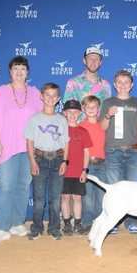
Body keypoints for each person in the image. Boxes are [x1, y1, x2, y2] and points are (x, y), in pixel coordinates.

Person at [0, 55, 43, 243]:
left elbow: (42, 119)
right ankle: (2, 227)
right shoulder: (1, 92)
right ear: (10, 72)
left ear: (28, 72)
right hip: (6, 146)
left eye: (23, 68)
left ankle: (17, 223)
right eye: (16, 68)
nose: (19, 72)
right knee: (7, 187)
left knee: (23, 187)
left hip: (29, 149)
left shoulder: (35, 93)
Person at [99, 70, 137, 234]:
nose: (123, 85)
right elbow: (102, 127)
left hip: (133, 151)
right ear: (114, 84)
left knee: (131, 189)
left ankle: (132, 221)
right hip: (113, 151)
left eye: (126, 82)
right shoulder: (108, 102)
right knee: (114, 189)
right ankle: (113, 221)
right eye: (119, 82)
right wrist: (107, 115)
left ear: (131, 85)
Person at [23, 83, 69, 241]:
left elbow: (66, 143)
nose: (50, 98)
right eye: (47, 95)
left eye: (54, 96)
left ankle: (55, 228)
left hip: (57, 159)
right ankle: (36, 228)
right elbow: (29, 142)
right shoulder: (34, 119)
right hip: (40, 160)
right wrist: (32, 162)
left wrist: (64, 161)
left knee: (56, 198)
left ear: (58, 99)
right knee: (39, 198)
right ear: (41, 96)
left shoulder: (62, 120)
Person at [60, 99, 93, 234]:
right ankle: (67, 223)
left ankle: (78, 224)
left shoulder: (83, 131)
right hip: (64, 171)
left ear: (80, 113)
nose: (72, 115)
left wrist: (84, 170)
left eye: (75, 112)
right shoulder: (60, 130)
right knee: (65, 197)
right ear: (64, 113)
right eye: (69, 112)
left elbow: (87, 152)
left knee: (78, 198)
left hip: (78, 171)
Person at [80, 94, 106, 234]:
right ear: (83, 109)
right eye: (88, 107)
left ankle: (100, 222)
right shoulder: (80, 127)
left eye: (94, 107)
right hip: (87, 165)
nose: (91, 109)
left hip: (102, 164)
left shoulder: (103, 125)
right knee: (87, 196)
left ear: (98, 109)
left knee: (101, 196)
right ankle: (87, 222)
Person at [62, 46, 111, 121]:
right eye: (90, 58)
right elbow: (67, 109)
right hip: (78, 129)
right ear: (84, 61)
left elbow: (106, 111)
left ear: (100, 63)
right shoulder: (73, 83)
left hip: (98, 129)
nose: (93, 61)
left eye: (96, 59)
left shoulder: (106, 85)